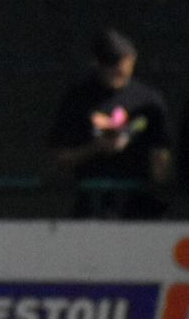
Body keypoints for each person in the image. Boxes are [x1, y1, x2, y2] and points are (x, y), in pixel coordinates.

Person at [47, 28, 172, 219]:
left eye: (123, 64)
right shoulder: (78, 98)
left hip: (140, 209)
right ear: (97, 63)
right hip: (92, 207)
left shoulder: (149, 102)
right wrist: (94, 149)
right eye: (110, 64)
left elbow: (161, 158)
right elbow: (58, 159)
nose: (117, 71)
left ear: (132, 60)